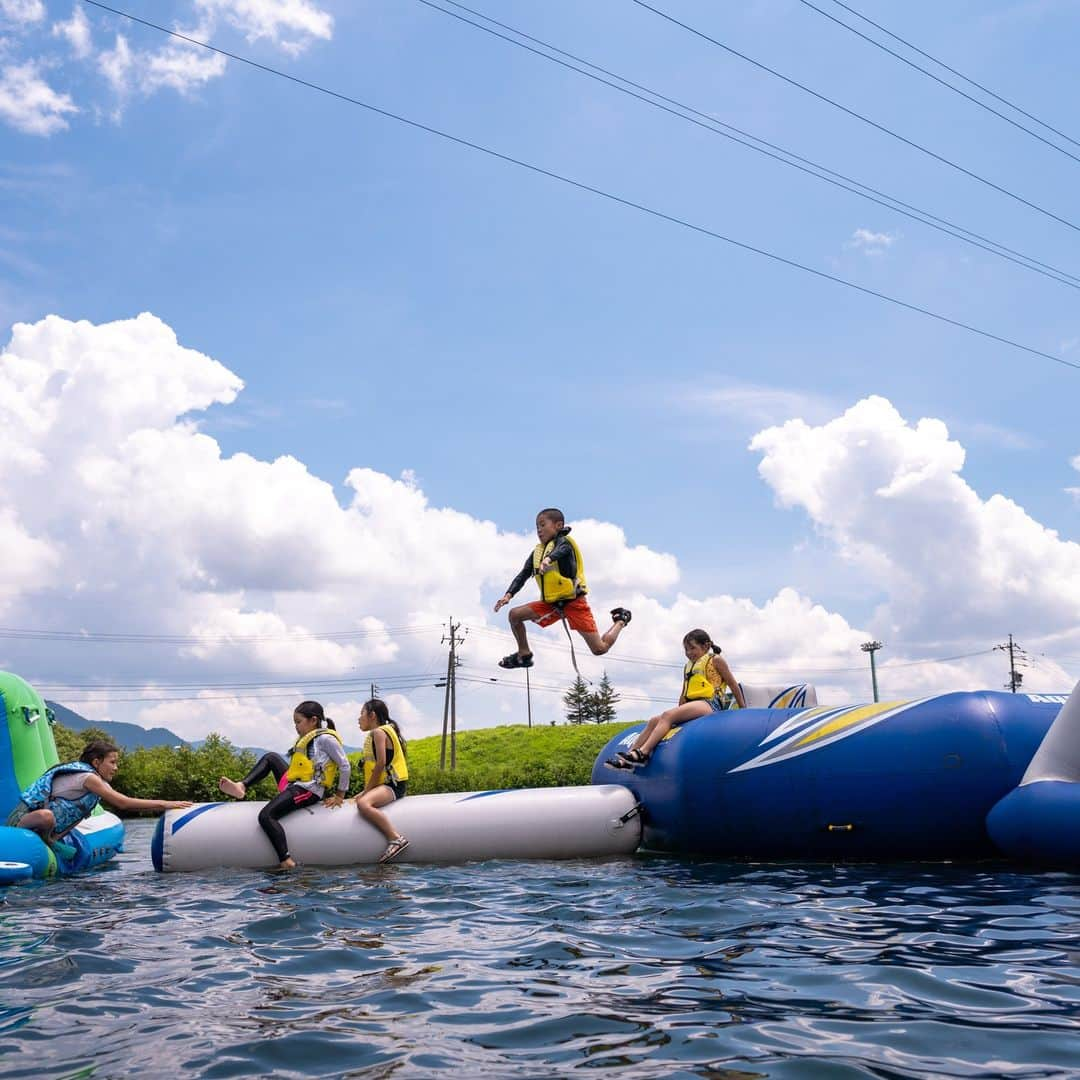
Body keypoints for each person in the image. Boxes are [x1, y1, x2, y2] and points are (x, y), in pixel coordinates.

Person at [218, 700, 350, 870]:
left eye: (298, 722)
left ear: (313, 720)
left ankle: (286, 860)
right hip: (294, 784)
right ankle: (242, 786)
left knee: (266, 816)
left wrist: (340, 795)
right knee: (271, 757)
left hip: (310, 791)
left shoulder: (326, 739)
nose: (296, 727)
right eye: (294, 722)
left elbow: (345, 766)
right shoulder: (308, 739)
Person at [493, 507, 631, 670]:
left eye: (543, 525)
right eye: (537, 526)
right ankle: (524, 655)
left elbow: (562, 550)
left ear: (558, 525)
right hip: (551, 604)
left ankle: (621, 619)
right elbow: (523, 574)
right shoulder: (537, 553)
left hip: (574, 602)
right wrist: (508, 595)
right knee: (514, 615)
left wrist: (549, 558)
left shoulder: (564, 544)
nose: (539, 530)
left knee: (599, 649)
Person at [608, 629, 746, 769]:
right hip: (693, 704)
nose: (689, 653)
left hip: (710, 703)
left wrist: (743, 709)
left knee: (668, 715)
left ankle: (643, 753)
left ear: (706, 646)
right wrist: (678, 712)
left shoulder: (715, 660)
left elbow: (733, 684)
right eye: (686, 649)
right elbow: (684, 692)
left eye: (693, 648)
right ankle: (627, 760)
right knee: (654, 721)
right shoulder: (688, 666)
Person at [7, 739, 193, 844]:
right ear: (96, 762)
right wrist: (165, 804)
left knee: (51, 820)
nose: (116, 767)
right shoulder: (88, 778)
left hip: (46, 830)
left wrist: (56, 838)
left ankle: (48, 841)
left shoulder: (96, 785)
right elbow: (123, 803)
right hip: (25, 819)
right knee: (47, 816)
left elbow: (77, 816)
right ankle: (29, 840)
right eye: (112, 762)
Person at [354, 698, 410, 863]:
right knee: (360, 800)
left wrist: (366, 792)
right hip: (390, 784)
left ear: (372, 715)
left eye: (361, 713)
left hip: (393, 785)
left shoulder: (379, 732)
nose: (359, 718)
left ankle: (396, 838)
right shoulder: (385, 730)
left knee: (363, 804)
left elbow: (381, 764)